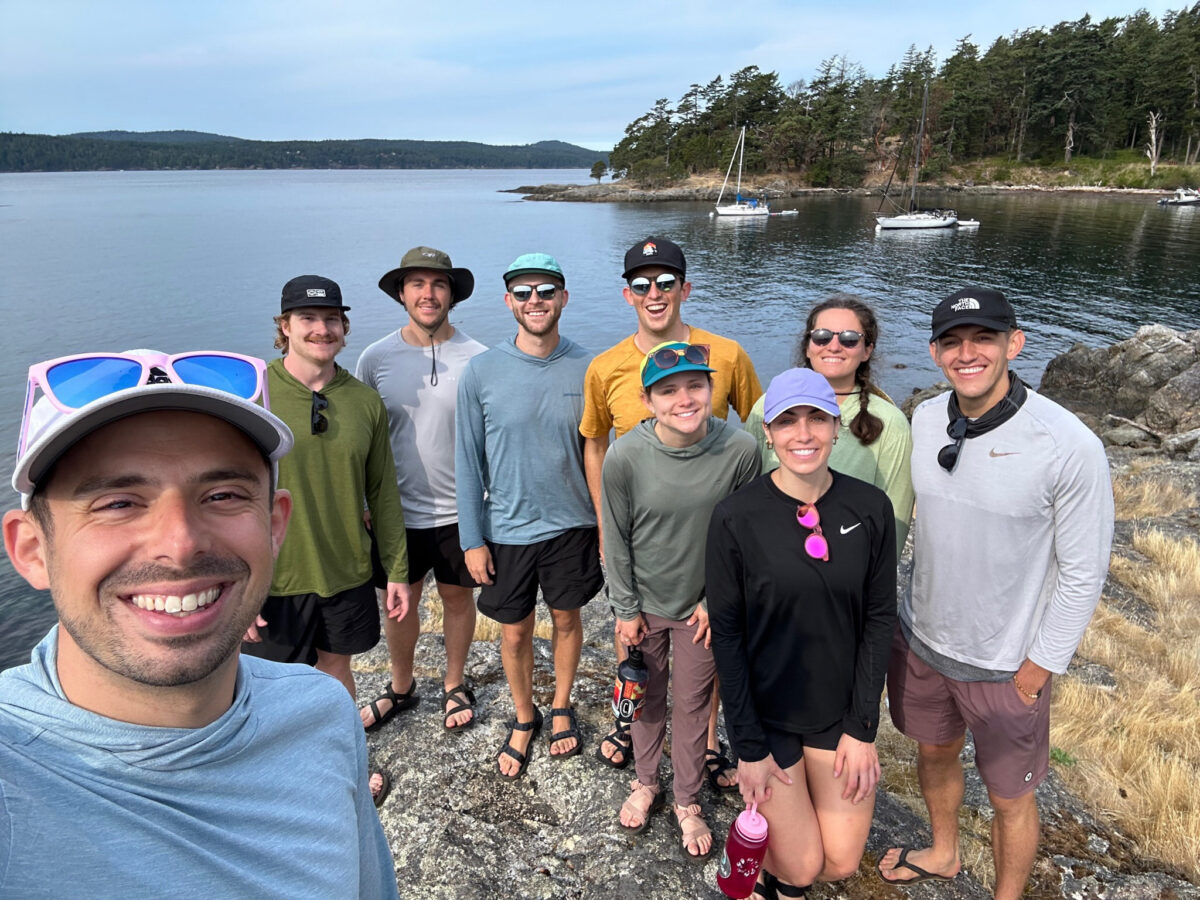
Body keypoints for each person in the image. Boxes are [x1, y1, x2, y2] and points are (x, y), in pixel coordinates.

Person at [0, 349, 397, 897]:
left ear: (274, 525)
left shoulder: (322, 715)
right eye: (118, 503)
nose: (181, 544)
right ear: (32, 549)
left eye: (223, 495)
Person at [877, 288, 1113, 899]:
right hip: (924, 641)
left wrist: (1037, 669)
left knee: (1011, 796)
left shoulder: (1068, 444)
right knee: (934, 755)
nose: (968, 354)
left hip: (1008, 663)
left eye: (983, 338)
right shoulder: (927, 418)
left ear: (1015, 343)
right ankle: (945, 852)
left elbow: (1083, 571)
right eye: (952, 342)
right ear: (934, 353)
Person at [707, 368, 897, 898]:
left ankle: (778, 860)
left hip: (837, 715)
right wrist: (747, 748)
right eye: (787, 421)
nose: (804, 433)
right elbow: (727, 637)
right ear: (767, 433)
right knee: (804, 867)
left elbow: (880, 618)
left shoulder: (871, 508)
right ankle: (770, 870)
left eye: (817, 418)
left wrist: (863, 729)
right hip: (768, 722)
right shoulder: (735, 518)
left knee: (838, 862)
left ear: (838, 427)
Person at [582, 236, 762, 784]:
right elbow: (596, 442)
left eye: (665, 282)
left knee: (697, 685)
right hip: (641, 540)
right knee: (639, 674)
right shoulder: (606, 368)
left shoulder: (727, 355)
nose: (654, 293)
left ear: (684, 288)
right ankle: (641, 759)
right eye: (642, 284)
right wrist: (605, 531)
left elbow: (758, 431)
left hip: (705, 566)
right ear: (628, 293)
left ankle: (700, 753)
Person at [242, 275, 411, 807]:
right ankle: (282, 782)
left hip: (345, 569)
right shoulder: (252, 392)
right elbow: (222, 493)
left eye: (332, 319)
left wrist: (398, 570)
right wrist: (235, 585)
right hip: (273, 575)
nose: (322, 329)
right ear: (284, 326)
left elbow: (383, 491)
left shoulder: (363, 402)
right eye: (308, 319)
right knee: (271, 686)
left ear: (344, 328)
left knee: (337, 672)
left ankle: (346, 766)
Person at [603, 342, 760, 859]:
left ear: (712, 391)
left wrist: (717, 599)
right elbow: (617, 538)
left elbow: (744, 536)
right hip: (645, 604)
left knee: (693, 705)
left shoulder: (739, 450)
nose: (684, 399)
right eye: (668, 390)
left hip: (702, 609)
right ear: (649, 401)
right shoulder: (625, 455)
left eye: (696, 385)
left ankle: (687, 800)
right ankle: (646, 780)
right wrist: (625, 609)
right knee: (646, 700)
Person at [455, 252, 602, 780]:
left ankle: (560, 704)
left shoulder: (591, 368)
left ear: (563, 297)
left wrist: (607, 529)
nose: (534, 301)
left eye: (545, 291)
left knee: (567, 619)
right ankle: (524, 715)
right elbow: (467, 460)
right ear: (508, 301)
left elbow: (600, 452)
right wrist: (472, 538)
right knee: (513, 633)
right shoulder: (482, 371)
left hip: (573, 527)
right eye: (523, 292)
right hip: (508, 530)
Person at [356, 247, 486, 734]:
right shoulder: (375, 358)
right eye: (418, 285)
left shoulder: (478, 358)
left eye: (439, 285)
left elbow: (488, 437)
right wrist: (366, 503)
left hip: (460, 511)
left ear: (452, 294)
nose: (428, 294)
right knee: (400, 602)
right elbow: (365, 434)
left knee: (457, 599)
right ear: (402, 294)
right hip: (395, 512)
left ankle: (455, 683)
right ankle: (401, 685)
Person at [744, 294, 914, 556]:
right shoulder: (767, 406)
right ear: (808, 346)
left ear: (867, 349)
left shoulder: (890, 422)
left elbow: (896, 515)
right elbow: (747, 488)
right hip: (770, 554)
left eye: (848, 338)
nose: (834, 346)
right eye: (822, 336)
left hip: (847, 566)